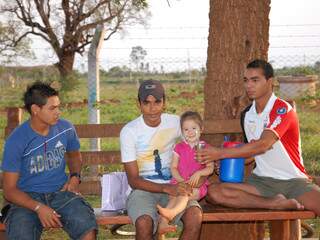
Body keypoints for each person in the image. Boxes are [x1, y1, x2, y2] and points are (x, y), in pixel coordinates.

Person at [196, 59, 320, 215]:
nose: (249, 85)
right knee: (214, 192)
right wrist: (225, 161)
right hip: (261, 182)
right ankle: (275, 204)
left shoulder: (282, 109)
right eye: (246, 80)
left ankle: (286, 197)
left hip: (294, 181)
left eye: (255, 80)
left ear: (270, 82)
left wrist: (219, 153)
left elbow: (263, 145)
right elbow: (251, 153)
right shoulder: (248, 115)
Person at [1, 82, 97, 239]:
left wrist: (75, 177)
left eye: (59, 106)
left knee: (87, 228)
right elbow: (9, 190)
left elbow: (74, 155)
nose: (58, 112)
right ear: (35, 110)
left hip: (61, 194)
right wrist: (39, 207)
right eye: (52, 108)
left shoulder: (65, 128)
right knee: (21, 234)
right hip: (27, 199)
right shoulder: (17, 140)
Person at [120, 80, 203, 240]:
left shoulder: (175, 123)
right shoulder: (129, 132)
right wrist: (166, 189)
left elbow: (196, 143)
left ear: (164, 102)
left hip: (175, 187)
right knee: (144, 222)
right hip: (142, 190)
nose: (152, 108)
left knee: (194, 215)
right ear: (139, 104)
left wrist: (207, 161)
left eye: (157, 102)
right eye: (147, 103)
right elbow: (134, 180)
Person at [157, 111, 213, 234]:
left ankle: (172, 213)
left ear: (201, 129)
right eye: (186, 129)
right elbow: (173, 167)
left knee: (184, 193)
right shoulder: (179, 147)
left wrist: (199, 173)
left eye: (194, 128)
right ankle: (163, 223)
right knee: (174, 197)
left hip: (197, 187)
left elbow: (210, 168)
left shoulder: (205, 148)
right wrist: (181, 181)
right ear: (182, 132)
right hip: (179, 182)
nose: (190, 132)